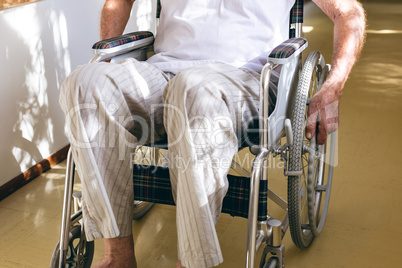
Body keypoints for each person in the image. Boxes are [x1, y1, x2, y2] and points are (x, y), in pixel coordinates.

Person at [59, 0, 366, 267]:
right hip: (163, 71)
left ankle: (192, 262)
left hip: (246, 77)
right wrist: (111, 59)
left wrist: (333, 86)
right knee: (85, 83)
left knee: (193, 88)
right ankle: (117, 254)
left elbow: (348, 12)